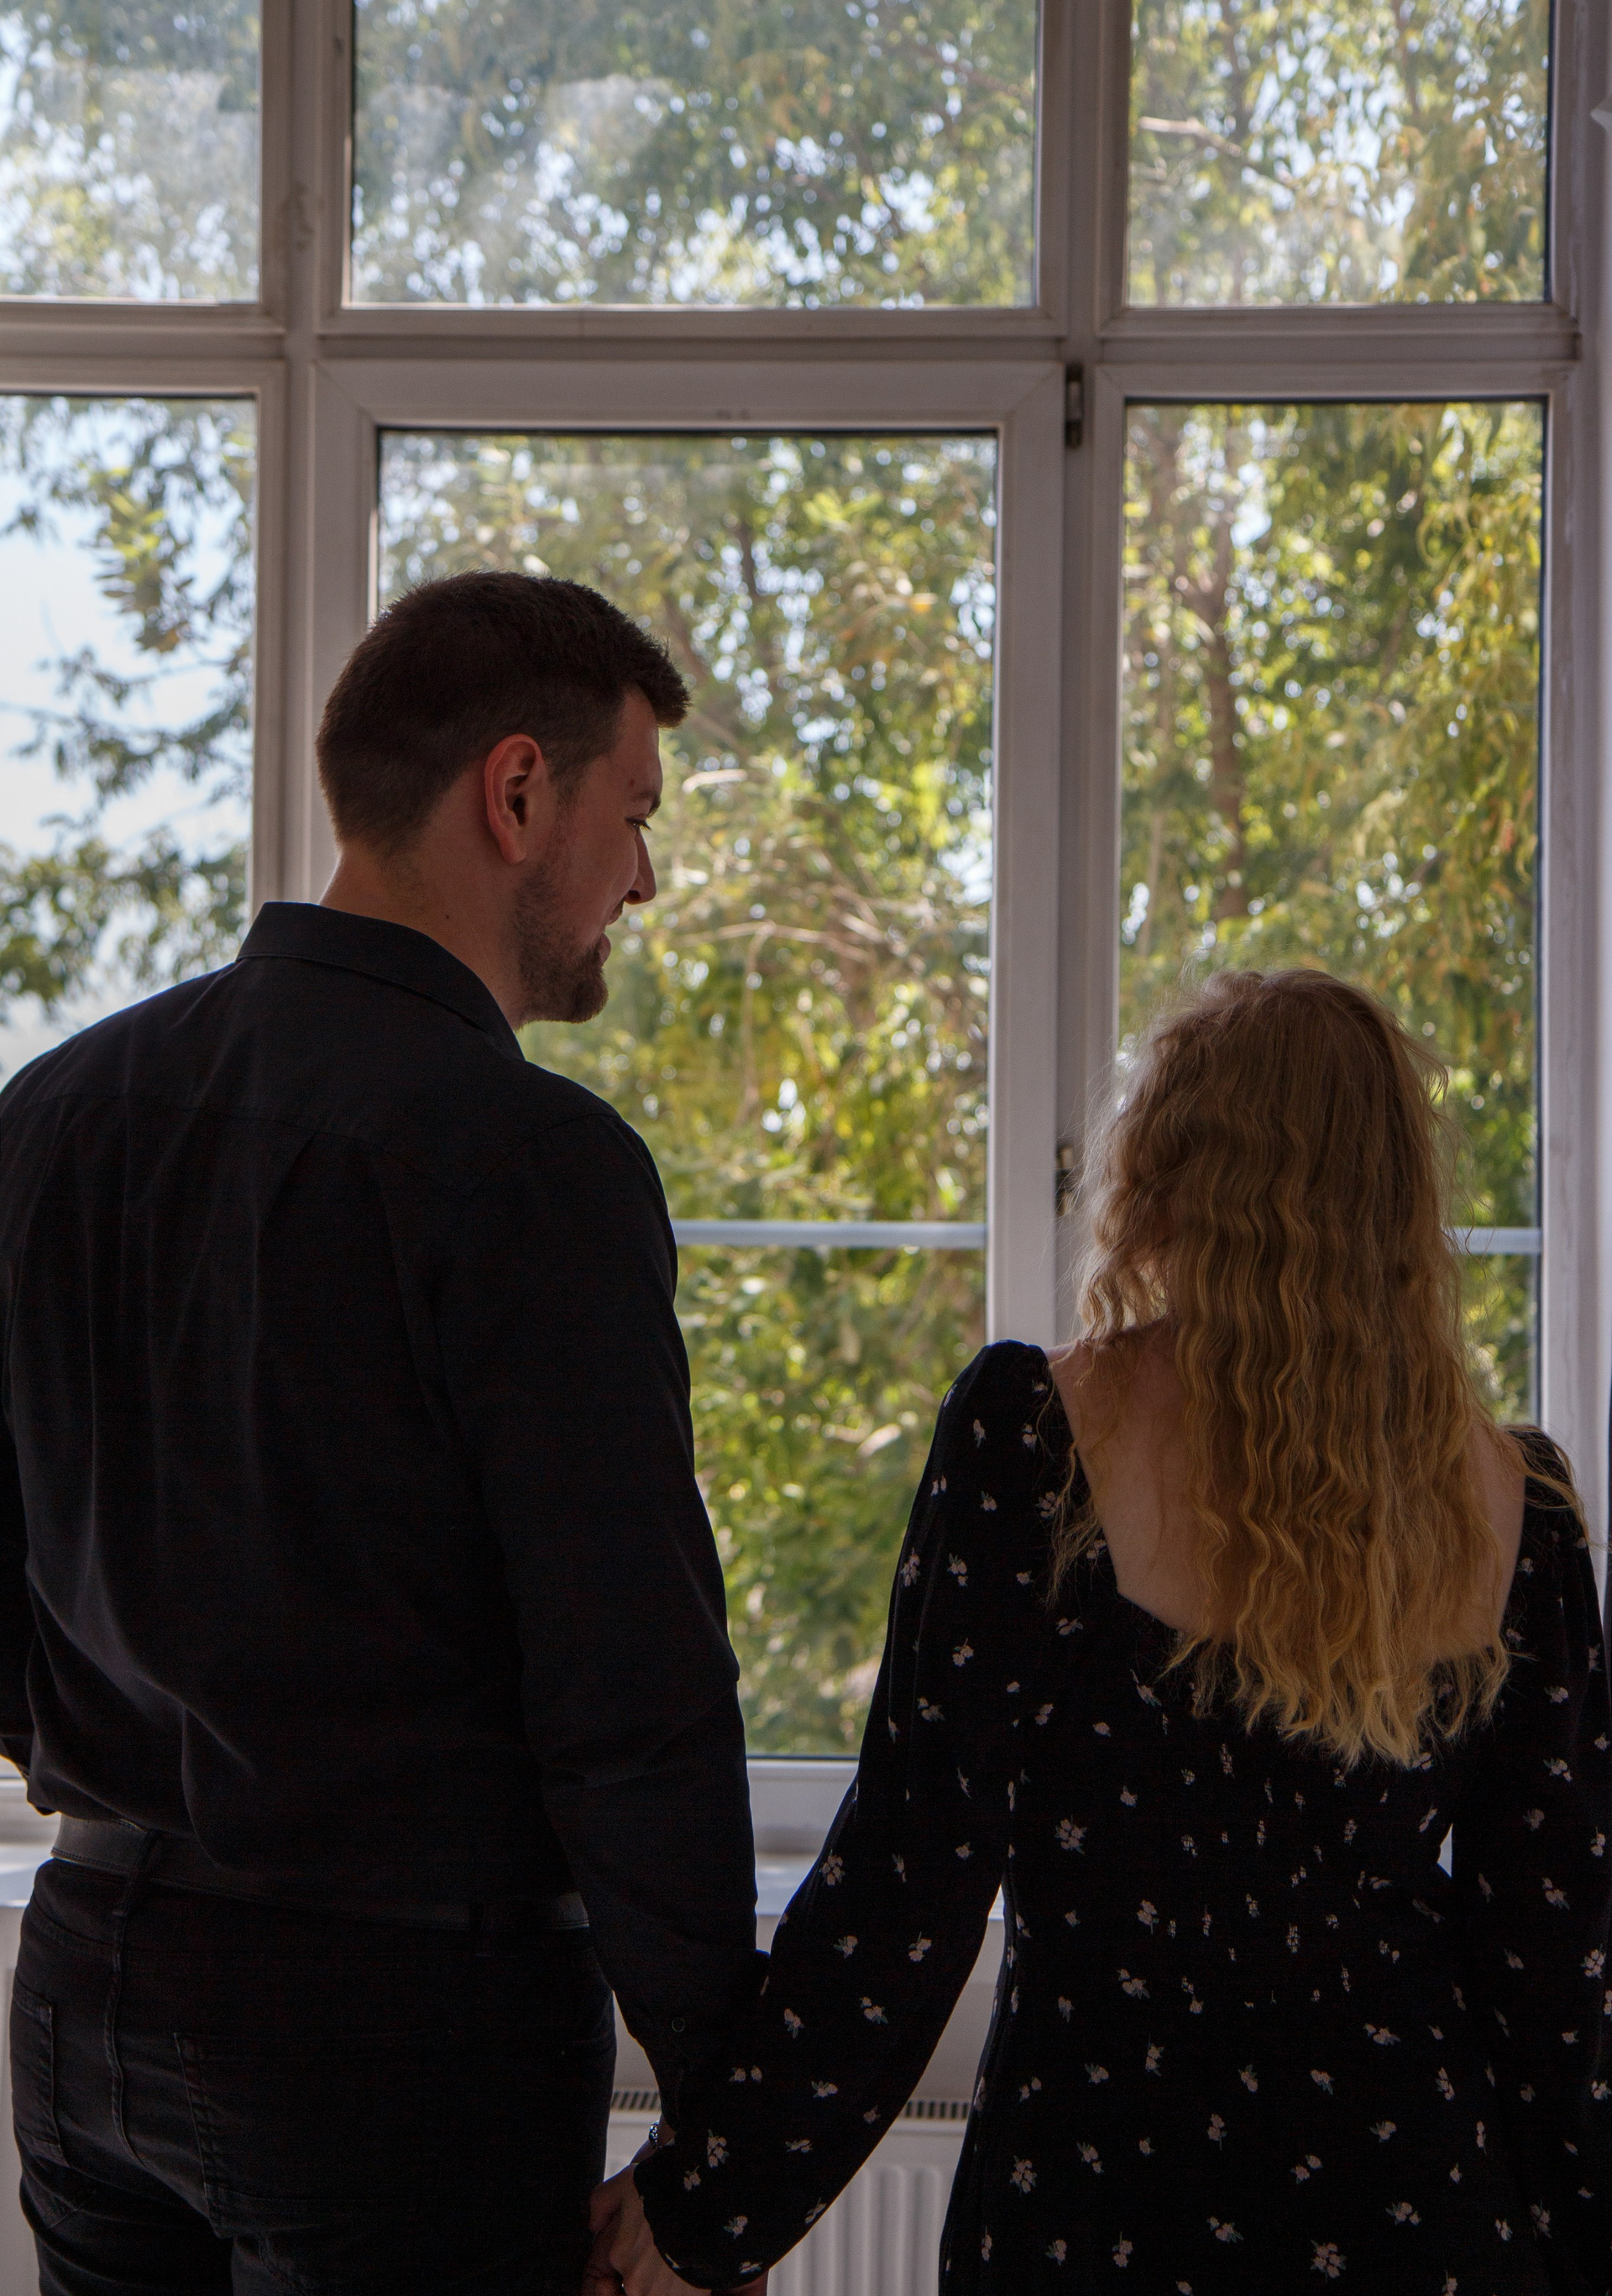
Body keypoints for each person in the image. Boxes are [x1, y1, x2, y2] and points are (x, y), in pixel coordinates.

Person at [591, 967, 1612, 2295]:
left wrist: (706, 2204)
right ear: (1397, 1200)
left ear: (1170, 1171)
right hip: (1417, 2211)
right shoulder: (1515, 1506)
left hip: (1095, 2194)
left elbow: (910, 1880)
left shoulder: (1033, 1436)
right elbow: (1554, 1974)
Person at [0, 571, 767, 2295]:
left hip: (84, 1988)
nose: (645, 877)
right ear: (518, 793)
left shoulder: (50, 1118)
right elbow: (630, 1694)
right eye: (636, 814)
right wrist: (731, 2146)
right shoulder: (535, 1163)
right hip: (401, 2034)